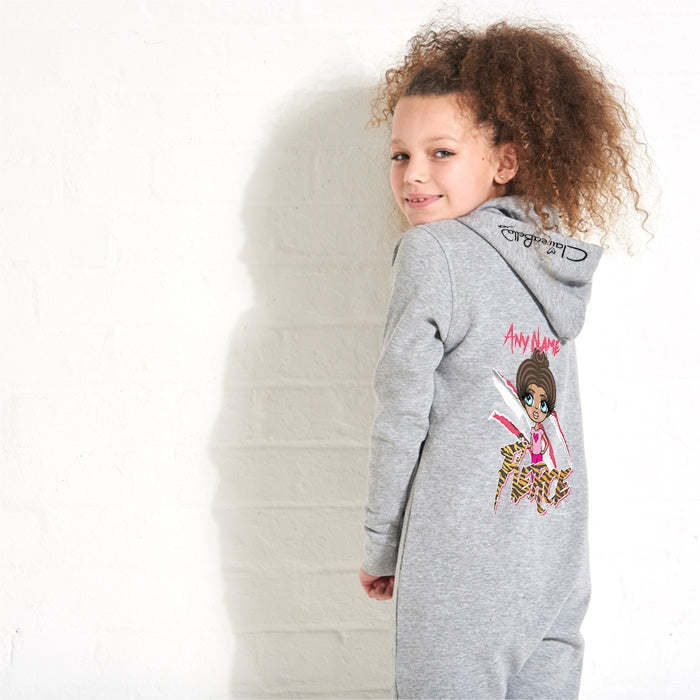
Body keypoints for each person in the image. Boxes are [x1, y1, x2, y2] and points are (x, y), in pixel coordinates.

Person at [358, 19, 648, 699]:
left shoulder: (433, 251)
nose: (414, 173)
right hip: (554, 570)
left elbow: (402, 414)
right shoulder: (551, 259)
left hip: (460, 572)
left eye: (441, 152)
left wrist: (381, 543)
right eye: (400, 155)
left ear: (504, 162)